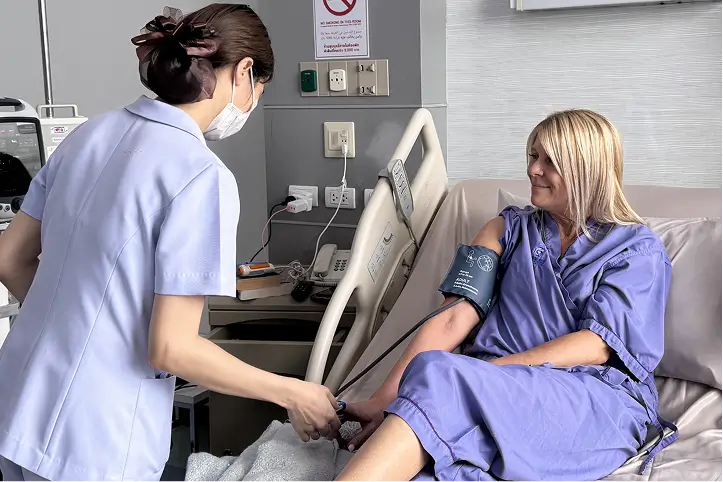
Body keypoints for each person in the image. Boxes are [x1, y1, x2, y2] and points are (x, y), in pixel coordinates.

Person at [0, 5, 340, 482]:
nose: (253, 102)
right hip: (95, 438)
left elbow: (9, 257)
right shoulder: (200, 174)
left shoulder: (89, 133)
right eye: (259, 90)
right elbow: (172, 349)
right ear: (244, 72)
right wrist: (292, 392)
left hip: (16, 402)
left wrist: (77, 329)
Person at [335, 109, 677, 482]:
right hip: (487, 391)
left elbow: (596, 346)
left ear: (587, 169)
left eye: (551, 161)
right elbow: (452, 318)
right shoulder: (504, 229)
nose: (533, 170)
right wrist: (385, 401)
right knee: (428, 464)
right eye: (533, 156)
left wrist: (482, 374)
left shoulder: (635, 249)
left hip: (589, 397)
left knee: (440, 381)